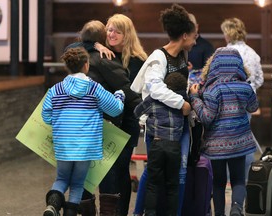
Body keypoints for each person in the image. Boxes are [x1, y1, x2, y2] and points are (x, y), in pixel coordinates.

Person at [67, 16, 148, 216]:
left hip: (126, 123)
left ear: (126, 35)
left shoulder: (138, 60)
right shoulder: (99, 51)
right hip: (104, 123)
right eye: (109, 30)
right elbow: (72, 48)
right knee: (102, 174)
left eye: (116, 31)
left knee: (121, 172)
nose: (111, 35)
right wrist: (92, 44)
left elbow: (137, 94)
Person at [41, 47, 125, 216]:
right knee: (78, 184)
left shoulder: (55, 90)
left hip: (63, 145)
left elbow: (46, 116)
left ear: (67, 66)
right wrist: (120, 95)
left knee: (62, 179)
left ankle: (52, 206)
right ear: (86, 65)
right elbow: (115, 109)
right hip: (86, 146)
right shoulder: (93, 88)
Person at [131, 4, 197, 215]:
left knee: (181, 173)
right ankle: (139, 212)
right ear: (185, 35)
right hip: (160, 127)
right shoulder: (159, 57)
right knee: (152, 174)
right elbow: (155, 89)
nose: (196, 41)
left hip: (181, 124)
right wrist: (182, 104)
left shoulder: (182, 57)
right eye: (195, 36)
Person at [189, 47, 259, 216]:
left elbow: (206, 117)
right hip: (239, 142)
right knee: (238, 180)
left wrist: (194, 98)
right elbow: (253, 107)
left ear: (214, 65)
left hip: (216, 145)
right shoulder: (245, 87)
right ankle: (236, 209)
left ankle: (219, 213)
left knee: (219, 182)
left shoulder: (212, 89)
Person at [134, 72, 188, 216]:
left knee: (152, 184)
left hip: (157, 144)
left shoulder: (154, 99)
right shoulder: (182, 101)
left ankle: (150, 213)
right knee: (172, 186)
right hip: (174, 146)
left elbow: (136, 111)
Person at [221, 17, 264, 181]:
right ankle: (245, 178)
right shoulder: (253, 52)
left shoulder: (225, 52)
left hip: (228, 101)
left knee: (225, 140)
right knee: (245, 138)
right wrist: (250, 88)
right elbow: (259, 79)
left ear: (228, 33)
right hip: (247, 101)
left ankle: (225, 178)